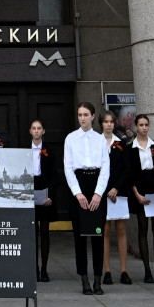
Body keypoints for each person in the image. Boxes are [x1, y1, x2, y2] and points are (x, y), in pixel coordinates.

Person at [64, 102, 111, 296]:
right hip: (79, 185)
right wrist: (78, 193)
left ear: (93, 116)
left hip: (97, 184)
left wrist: (99, 193)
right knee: (80, 238)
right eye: (79, 114)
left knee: (98, 236)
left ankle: (98, 280)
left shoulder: (100, 140)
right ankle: (84, 279)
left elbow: (106, 167)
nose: (82, 118)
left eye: (85, 114)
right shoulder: (71, 138)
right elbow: (68, 167)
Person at [124, 112, 154, 283]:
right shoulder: (130, 148)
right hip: (140, 188)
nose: (144, 128)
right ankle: (147, 270)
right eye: (141, 125)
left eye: (146, 125)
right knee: (143, 229)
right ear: (136, 126)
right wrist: (136, 194)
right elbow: (130, 172)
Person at [99, 110, 131, 285]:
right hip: (102, 193)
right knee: (105, 231)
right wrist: (105, 190)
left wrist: (116, 188)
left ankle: (124, 270)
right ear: (101, 124)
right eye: (106, 122)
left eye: (111, 121)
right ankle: (107, 271)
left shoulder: (122, 144)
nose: (109, 124)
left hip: (119, 193)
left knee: (121, 230)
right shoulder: (96, 143)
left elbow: (127, 169)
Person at [27, 118, 59, 282]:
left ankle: (44, 269)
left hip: (45, 189)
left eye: (39, 128)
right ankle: (34, 269)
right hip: (31, 188)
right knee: (32, 234)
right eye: (34, 128)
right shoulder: (25, 150)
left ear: (43, 131)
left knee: (45, 231)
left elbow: (54, 175)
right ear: (30, 131)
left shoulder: (50, 151)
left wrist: (51, 196)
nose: (37, 131)